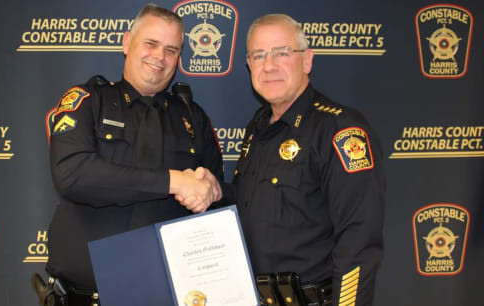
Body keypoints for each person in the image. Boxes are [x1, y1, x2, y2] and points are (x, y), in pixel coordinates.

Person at [42, 4, 226, 305]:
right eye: (150, 44)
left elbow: (216, 197)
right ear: (127, 42)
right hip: (84, 297)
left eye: (171, 50)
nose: (160, 57)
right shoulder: (87, 101)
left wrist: (212, 190)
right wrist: (174, 182)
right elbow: (72, 175)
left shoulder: (193, 119)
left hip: (167, 296)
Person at [233, 14, 386, 306]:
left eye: (281, 53)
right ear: (249, 65)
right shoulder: (259, 127)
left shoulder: (340, 131)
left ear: (307, 60)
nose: (269, 66)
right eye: (259, 55)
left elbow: (358, 241)